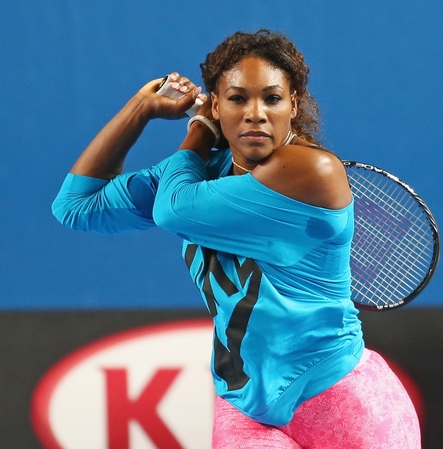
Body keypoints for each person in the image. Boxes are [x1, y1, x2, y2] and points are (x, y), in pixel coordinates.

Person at [52, 29, 421, 449]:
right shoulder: (198, 173)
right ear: (217, 102)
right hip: (244, 410)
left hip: (337, 400)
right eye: (238, 98)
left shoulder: (312, 171)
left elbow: (172, 210)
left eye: (272, 98)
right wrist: (141, 108)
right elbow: (77, 206)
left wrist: (199, 129)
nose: (256, 113)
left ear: (294, 104)